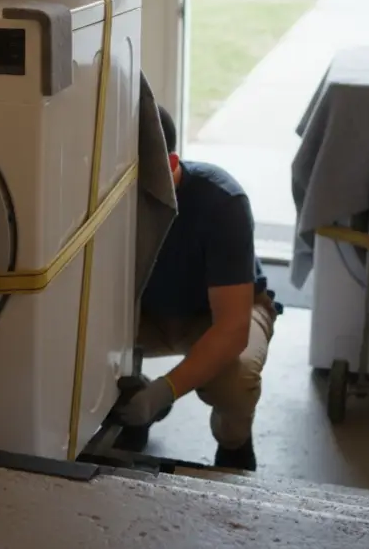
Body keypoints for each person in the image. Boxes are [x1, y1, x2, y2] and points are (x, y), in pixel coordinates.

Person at [115, 105, 280, 471]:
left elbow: (232, 329)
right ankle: (124, 410)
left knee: (234, 380)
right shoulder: (104, 193)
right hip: (144, 311)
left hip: (218, 314)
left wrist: (166, 389)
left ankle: (234, 445)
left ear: (171, 161)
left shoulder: (221, 202)